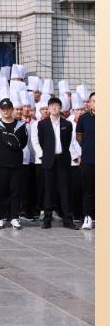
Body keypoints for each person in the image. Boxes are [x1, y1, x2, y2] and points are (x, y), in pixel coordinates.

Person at [32, 96, 76, 229]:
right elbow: (38, 141)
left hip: (63, 159)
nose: (54, 108)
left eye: (57, 106)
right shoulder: (42, 124)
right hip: (48, 160)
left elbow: (69, 142)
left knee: (65, 189)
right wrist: (42, 156)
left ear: (60, 108)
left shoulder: (67, 124)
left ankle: (68, 220)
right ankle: (47, 219)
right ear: (48, 108)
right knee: (48, 190)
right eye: (52, 106)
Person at [0, 98, 29, 229]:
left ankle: (15, 217)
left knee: (15, 191)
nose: (5, 111)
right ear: (0, 110)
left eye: (8, 109)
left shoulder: (21, 125)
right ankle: (0, 217)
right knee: (1, 191)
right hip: (1, 164)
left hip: (16, 163)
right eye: (3, 109)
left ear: (12, 110)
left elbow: (23, 142)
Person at [75, 91, 95, 229]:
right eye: (94, 101)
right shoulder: (84, 118)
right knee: (88, 190)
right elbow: (79, 137)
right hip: (88, 159)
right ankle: (88, 217)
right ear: (90, 103)